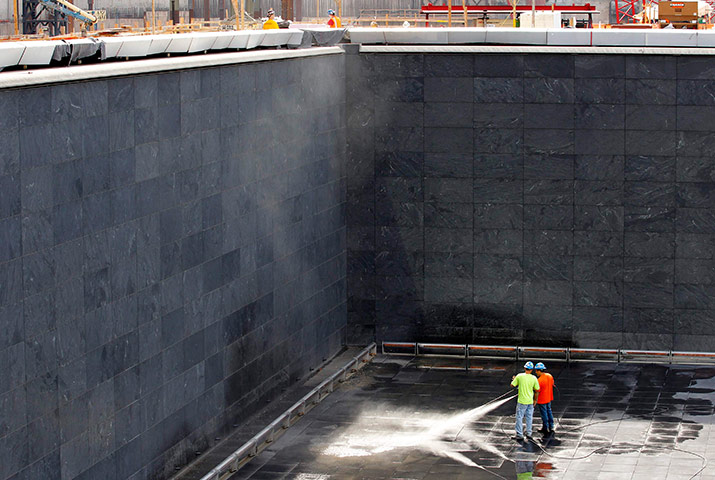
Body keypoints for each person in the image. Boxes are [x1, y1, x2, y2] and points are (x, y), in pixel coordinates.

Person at [510, 361, 540, 441]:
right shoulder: (534, 378)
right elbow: (537, 390)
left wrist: (514, 379)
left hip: (522, 401)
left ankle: (520, 434)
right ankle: (529, 433)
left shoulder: (519, 376)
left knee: (519, 417)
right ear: (531, 370)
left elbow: (512, 385)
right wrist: (535, 400)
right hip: (530, 401)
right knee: (529, 417)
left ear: (524, 368)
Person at [534, 362, 555, 435]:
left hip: (542, 399)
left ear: (539, 370)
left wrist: (535, 400)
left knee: (544, 414)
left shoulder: (539, 380)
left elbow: (537, 391)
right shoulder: (549, 376)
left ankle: (545, 427)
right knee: (549, 411)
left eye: (536, 371)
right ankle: (551, 426)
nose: (536, 372)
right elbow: (552, 383)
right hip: (549, 397)